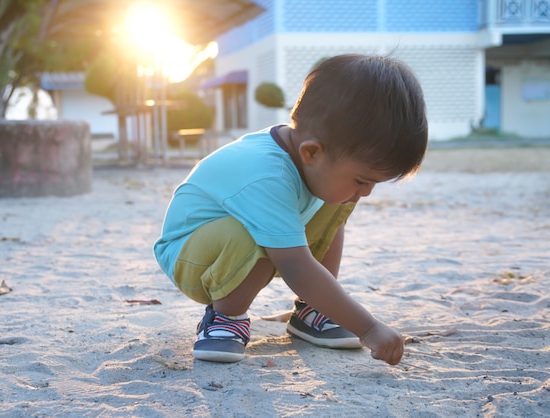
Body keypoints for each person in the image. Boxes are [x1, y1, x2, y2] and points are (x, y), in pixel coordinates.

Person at [154, 54, 428, 365]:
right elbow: (295, 266)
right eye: (363, 180)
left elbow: (306, 249)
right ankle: (225, 318)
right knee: (246, 231)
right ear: (312, 151)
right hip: (190, 256)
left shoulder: (312, 162)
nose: (366, 192)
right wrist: (368, 328)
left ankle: (312, 312)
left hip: (236, 247)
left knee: (336, 202)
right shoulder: (266, 174)